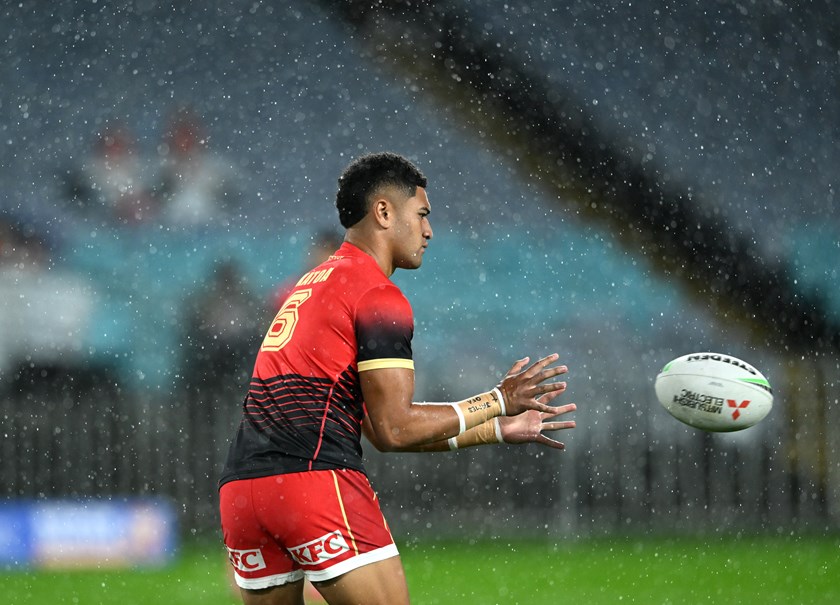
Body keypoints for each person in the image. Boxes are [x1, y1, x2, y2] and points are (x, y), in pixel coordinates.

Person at [218, 152, 577, 605]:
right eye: (422, 215)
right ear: (384, 212)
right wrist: (499, 400)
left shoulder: (313, 285)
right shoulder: (375, 293)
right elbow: (396, 428)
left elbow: (376, 428)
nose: (429, 231)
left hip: (242, 493)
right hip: (313, 482)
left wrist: (495, 429)